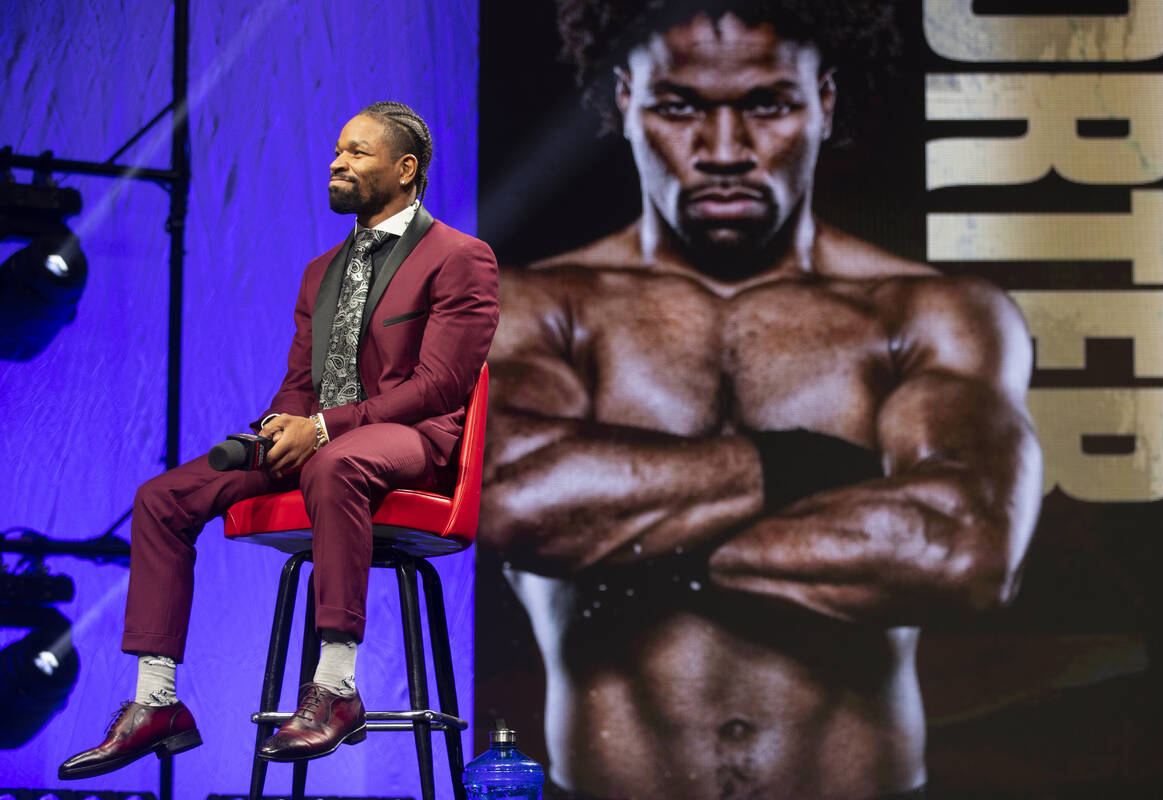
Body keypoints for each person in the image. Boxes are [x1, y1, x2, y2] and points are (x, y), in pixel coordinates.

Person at [478, 2, 1042, 798]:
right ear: (625, 103)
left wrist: (633, 535)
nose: (724, 151)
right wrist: (809, 466)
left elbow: (966, 551)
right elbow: (505, 503)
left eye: (767, 104)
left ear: (825, 103)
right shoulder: (537, 310)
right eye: (680, 107)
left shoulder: (925, 316)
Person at [58, 101, 499, 778]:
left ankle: (337, 687)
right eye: (337, 151)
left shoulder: (460, 258)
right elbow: (301, 382)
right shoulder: (321, 271)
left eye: (357, 153)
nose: (337, 162)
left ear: (406, 169)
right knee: (164, 496)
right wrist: (280, 427)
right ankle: (157, 703)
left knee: (335, 466)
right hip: (330, 445)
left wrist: (323, 429)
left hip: (413, 449)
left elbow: (441, 385)